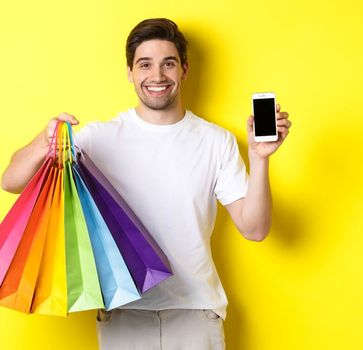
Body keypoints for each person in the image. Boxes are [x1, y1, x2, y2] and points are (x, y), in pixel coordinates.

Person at [0, 18, 291, 350]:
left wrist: (260, 157)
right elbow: (11, 181)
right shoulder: (98, 139)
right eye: (145, 64)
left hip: (195, 311)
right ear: (129, 72)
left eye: (168, 63)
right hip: (124, 311)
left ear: (184, 69)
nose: (157, 76)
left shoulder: (215, 141)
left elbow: (255, 229)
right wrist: (44, 139)